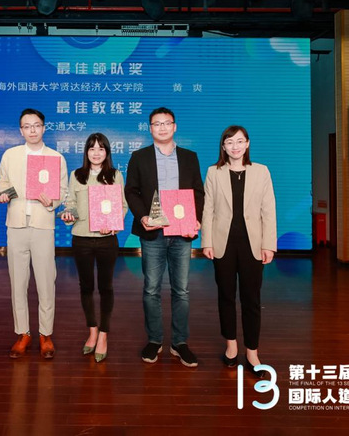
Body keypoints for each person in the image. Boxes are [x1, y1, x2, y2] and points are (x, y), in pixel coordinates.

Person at [125, 107, 204, 368]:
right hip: (153, 232)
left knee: (182, 290)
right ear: (150, 128)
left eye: (166, 123)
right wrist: (142, 216)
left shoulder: (190, 157)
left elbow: (198, 192)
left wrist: (196, 219)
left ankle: (179, 343)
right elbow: (131, 191)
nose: (162, 127)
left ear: (175, 126)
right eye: (156, 124)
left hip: (182, 232)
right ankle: (155, 340)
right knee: (151, 289)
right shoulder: (139, 157)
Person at [200, 125, 276, 377]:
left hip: (252, 244)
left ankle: (252, 351)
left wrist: (269, 244)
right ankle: (231, 345)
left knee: (252, 299)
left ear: (247, 144)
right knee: (226, 296)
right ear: (223, 146)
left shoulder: (261, 171)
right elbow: (208, 209)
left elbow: (269, 210)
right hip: (222, 244)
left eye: (240, 141)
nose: (235, 146)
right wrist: (207, 241)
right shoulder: (214, 172)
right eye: (230, 142)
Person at [0, 108, 68, 359]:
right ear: (21, 130)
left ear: (44, 128)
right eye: (27, 126)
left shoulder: (55, 157)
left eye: (36, 125)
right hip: (16, 224)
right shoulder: (10, 155)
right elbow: (2, 182)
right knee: (18, 282)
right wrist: (3, 194)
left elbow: (62, 190)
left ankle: (45, 334)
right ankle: (23, 333)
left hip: (42, 224)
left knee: (46, 281)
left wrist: (52, 202)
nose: (32, 130)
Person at [60, 133, 128, 363]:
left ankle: (104, 334)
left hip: (107, 240)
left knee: (106, 287)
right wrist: (68, 214)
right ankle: (92, 330)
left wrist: (115, 224)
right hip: (81, 238)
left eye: (101, 148)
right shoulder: (76, 175)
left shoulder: (115, 175)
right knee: (86, 286)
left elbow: (122, 205)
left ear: (107, 152)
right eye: (92, 148)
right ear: (86, 152)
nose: (96, 153)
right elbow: (70, 203)